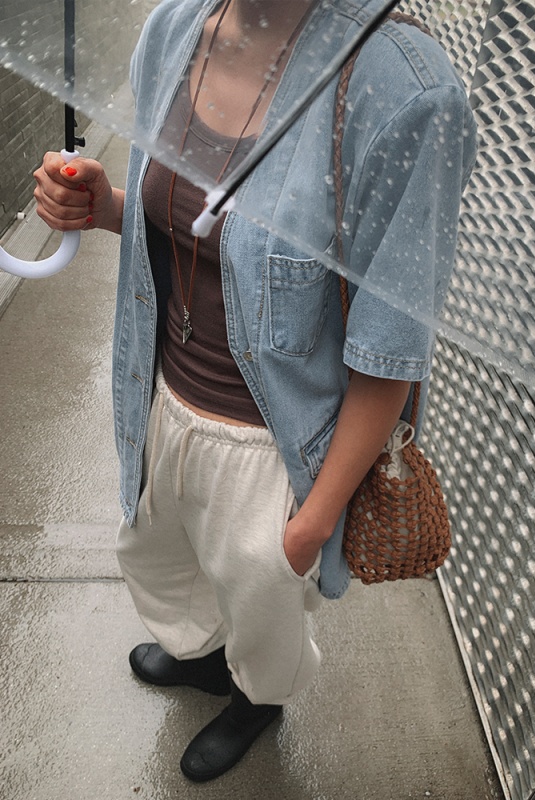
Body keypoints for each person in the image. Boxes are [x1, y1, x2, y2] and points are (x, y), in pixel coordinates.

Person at [33, 0, 477, 783]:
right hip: (161, 395)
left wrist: (311, 524)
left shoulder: (404, 90)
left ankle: (255, 699)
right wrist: (105, 209)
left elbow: (391, 350)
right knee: (166, 560)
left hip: (271, 444)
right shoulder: (173, 30)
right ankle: (207, 658)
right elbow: (192, 232)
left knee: (262, 607)